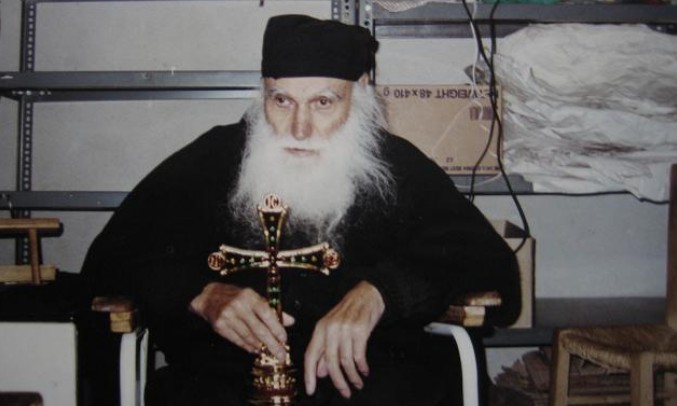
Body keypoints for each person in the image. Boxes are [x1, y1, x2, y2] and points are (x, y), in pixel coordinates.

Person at [81, 14, 520, 406]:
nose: (299, 128)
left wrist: (382, 293)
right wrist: (200, 293)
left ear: (360, 94)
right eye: (282, 101)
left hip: (365, 374)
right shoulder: (213, 159)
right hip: (226, 378)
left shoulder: (396, 167)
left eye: (323, 102)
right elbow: (111, 259)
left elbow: (485, 261)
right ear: (263, 95)